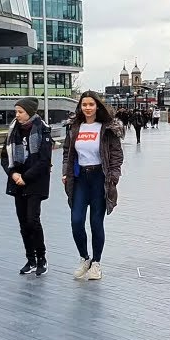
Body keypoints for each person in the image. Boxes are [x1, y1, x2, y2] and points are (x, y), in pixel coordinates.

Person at [61, 92, 124, 281]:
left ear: (97, 106)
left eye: (91, 104)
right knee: (76, 221)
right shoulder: (74, 127)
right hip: (80, 179)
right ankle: (85, 258)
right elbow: (67, 152)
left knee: (96, 223)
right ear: (80, 107)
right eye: (84, 104)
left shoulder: (107, 128)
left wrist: (113, 177)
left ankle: (96, 263)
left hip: (100, 178)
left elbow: (116, 155)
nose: (87, 108)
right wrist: (66, 171)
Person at [1, 97, 52, 276]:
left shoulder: (42, 130)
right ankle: (30, 259)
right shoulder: (12, 131)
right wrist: (14, 174)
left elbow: (44, 160)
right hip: (17, 182)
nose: (17, 115)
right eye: (16, 111)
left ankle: (41, 258)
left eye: (20, 112)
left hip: (35, 182)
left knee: (33, 220)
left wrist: (26, 177)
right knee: (23, 223)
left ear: (30, 112)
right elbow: (5, 157)